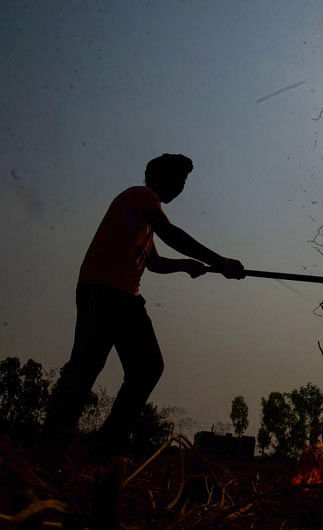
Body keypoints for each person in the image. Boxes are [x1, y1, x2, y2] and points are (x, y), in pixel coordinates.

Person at [43, 153, 245, 458]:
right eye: (178, 179)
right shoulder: (141, 197)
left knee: (139, 367)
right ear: (159, 177)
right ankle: (59, 440)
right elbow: (172, 234)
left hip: (122, 296)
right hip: (105, 292)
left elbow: (154, 262)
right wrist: (219, 261)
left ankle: (100, 443)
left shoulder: (146, 219)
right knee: (92, 366)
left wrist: (186, 266)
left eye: (184, 182)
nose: (180, 187)